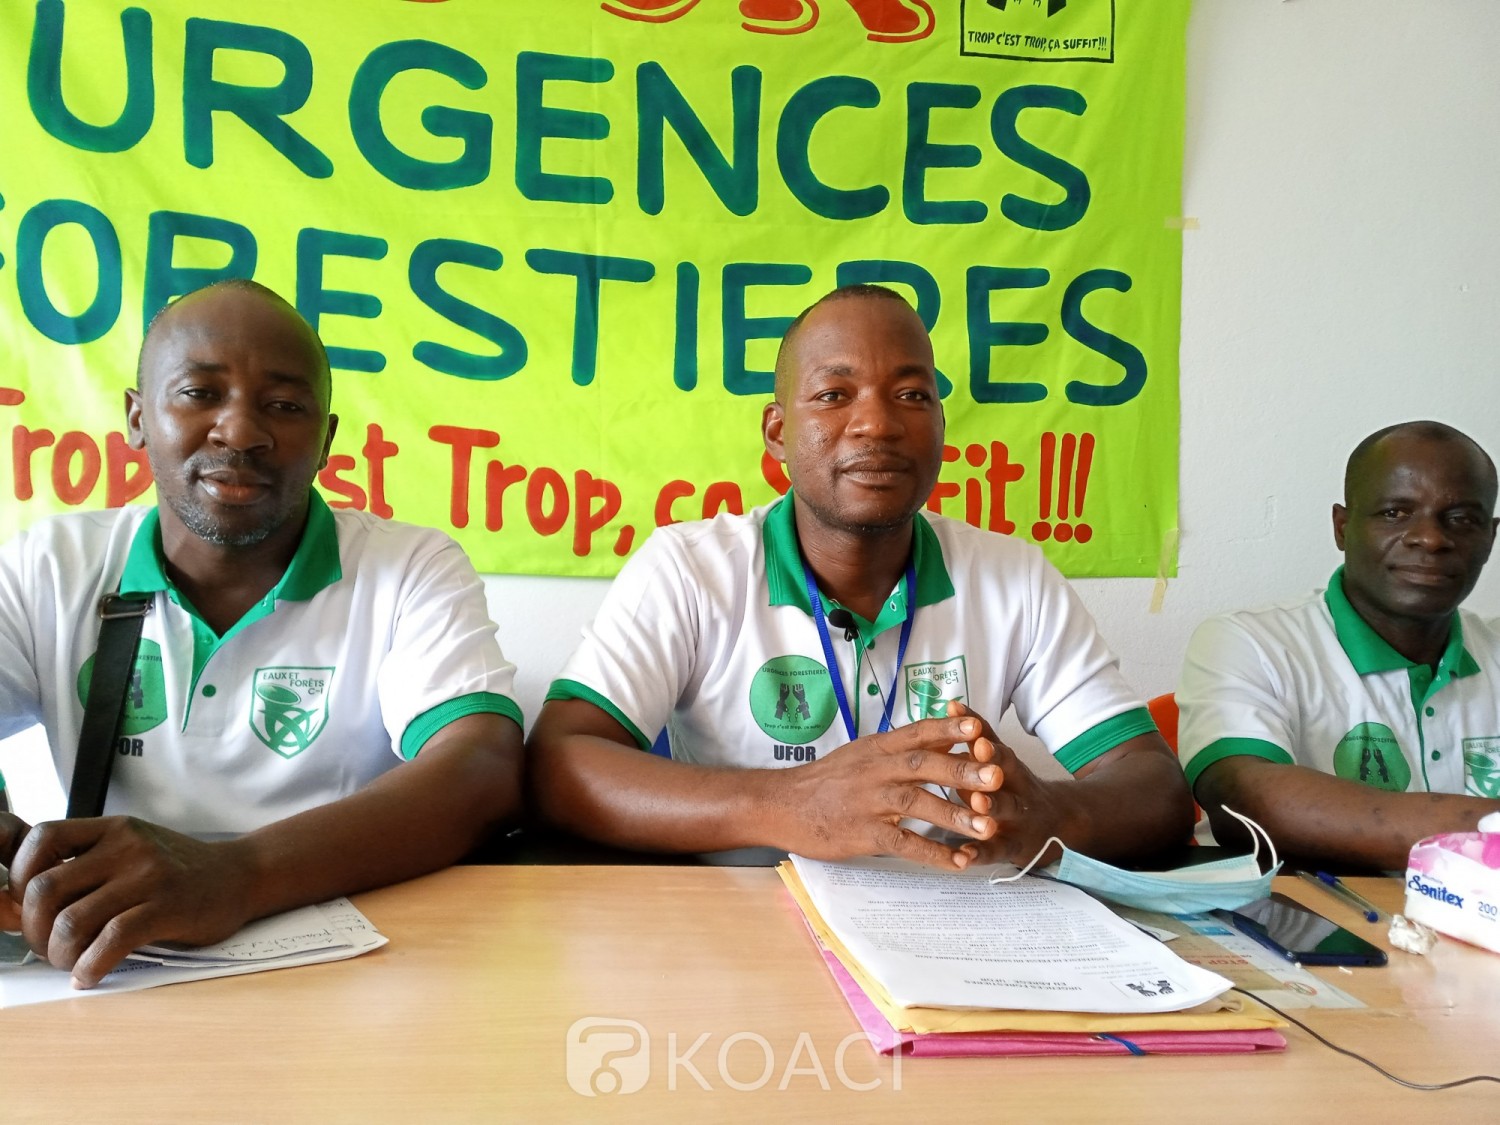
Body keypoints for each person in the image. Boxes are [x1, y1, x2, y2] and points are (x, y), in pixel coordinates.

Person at [528, 284, 1193, 868]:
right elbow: (559, 763)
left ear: (939, 425)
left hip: (950, 924)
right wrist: (791, 802)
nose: (877, 423)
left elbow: (1155, 789)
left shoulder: (1013, 579)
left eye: (911, 394)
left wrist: (1047, 812)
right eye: (833, 394)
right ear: (777, 431)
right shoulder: (690, 569)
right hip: (738, 924)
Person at [0, 280, 523, 986]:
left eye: (284, 405)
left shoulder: (406, 567)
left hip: (362, 967)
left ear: (326, 440)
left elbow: (482, 769)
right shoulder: (49, 565)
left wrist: (235, 874)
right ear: (137, 417)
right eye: (199, 393)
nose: (241, 432)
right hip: (111, 969)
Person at [1178, 421, 1500, 869]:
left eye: (1462, 519)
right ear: (1342, 528)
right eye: (1395, 513)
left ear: (1490, 537)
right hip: (1302, 909)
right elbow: (1248, 805)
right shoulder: (1251, 642)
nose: (1430, 538)